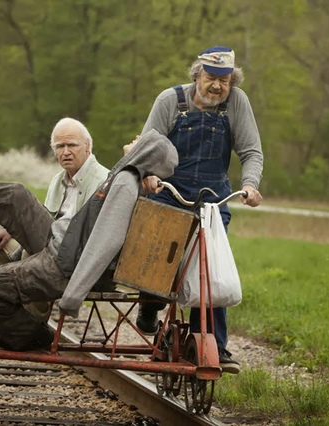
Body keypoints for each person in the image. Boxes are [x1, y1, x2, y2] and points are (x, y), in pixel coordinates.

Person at [0, 129, 178, 352]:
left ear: (145, 151)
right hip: (61, 240)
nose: (133, 140)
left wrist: (72, 296)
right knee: (15, 194)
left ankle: (29, 335)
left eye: (138, 140)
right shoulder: (126, 175)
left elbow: (105, 242)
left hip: (64, 264)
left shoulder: (124, 183)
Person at [135, 46, 264, 375]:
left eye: (225, 80)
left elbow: (251, 151)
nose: (218, 86)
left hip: (212, 198)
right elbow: (147, 145)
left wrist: (249, 185)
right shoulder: (170, 101)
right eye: (211, 78)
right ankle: (149, 304)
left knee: (211, 273)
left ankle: (214, 347)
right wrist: (147, 174)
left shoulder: (237, 102)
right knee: (156, 262)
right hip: (168, 192)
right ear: (197, 75)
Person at [0, 117, 108, 264]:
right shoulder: (57, 181)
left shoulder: (104, 181)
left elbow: (96, 238)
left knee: (31, 255)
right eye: (60, 146)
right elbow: (44, 220)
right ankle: (3, 286)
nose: (66, 152)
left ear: (87, 146)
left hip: (76, 256)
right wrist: (12, 231)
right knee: (0, 246)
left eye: (72, 145)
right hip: (50, 244)